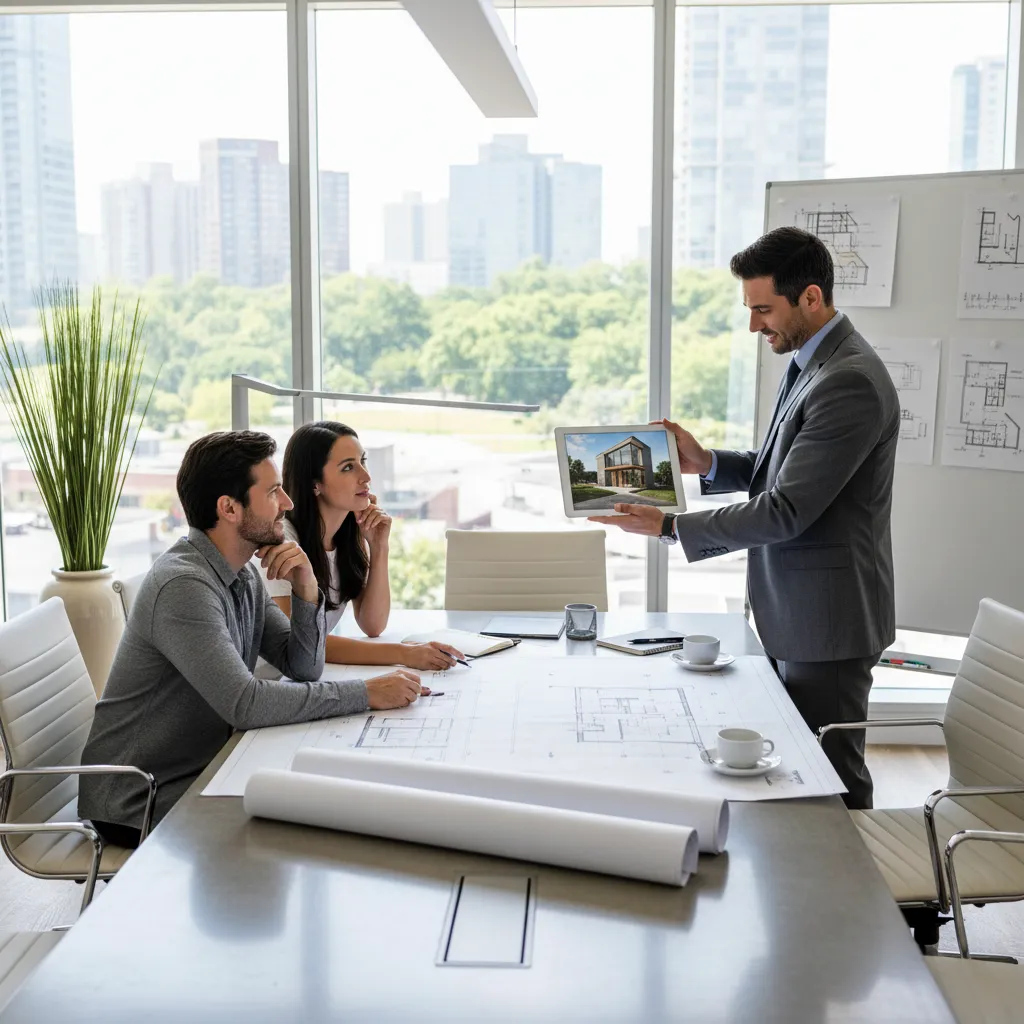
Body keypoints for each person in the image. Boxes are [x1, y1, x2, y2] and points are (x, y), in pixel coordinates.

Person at [590, 226, 899, 810]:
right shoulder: (814, 361)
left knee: (831, 779)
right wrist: (704, 462)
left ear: (811, 298)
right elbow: (778, 470)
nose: (755, 325)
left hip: (828, 621)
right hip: (800, 611)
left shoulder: (848, 380)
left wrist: (669, 526)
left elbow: (786, 510)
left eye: (763, 309)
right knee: (799, 768)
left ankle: (870, 899)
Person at [78, 430, 426, 847]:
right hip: (139, 796)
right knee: (310, 819)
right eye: (274, 492)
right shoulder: (184, 586)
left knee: (323, 794)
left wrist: (306, 589)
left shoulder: (240, 573)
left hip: (204, 766)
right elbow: (245, 704)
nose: (289, 504)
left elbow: (302, 666)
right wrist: (366, 693)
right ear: (229, 508)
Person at [258, 420, 463, 670]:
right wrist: (404, 654)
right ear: (315, 484)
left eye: (362, 461)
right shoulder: (284, 543)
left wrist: (379, 547)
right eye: (348, 468)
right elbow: (300, 642)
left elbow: (373, 625)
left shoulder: (348, 535)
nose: (366, 477)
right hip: (270, 682)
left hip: (309, 676)